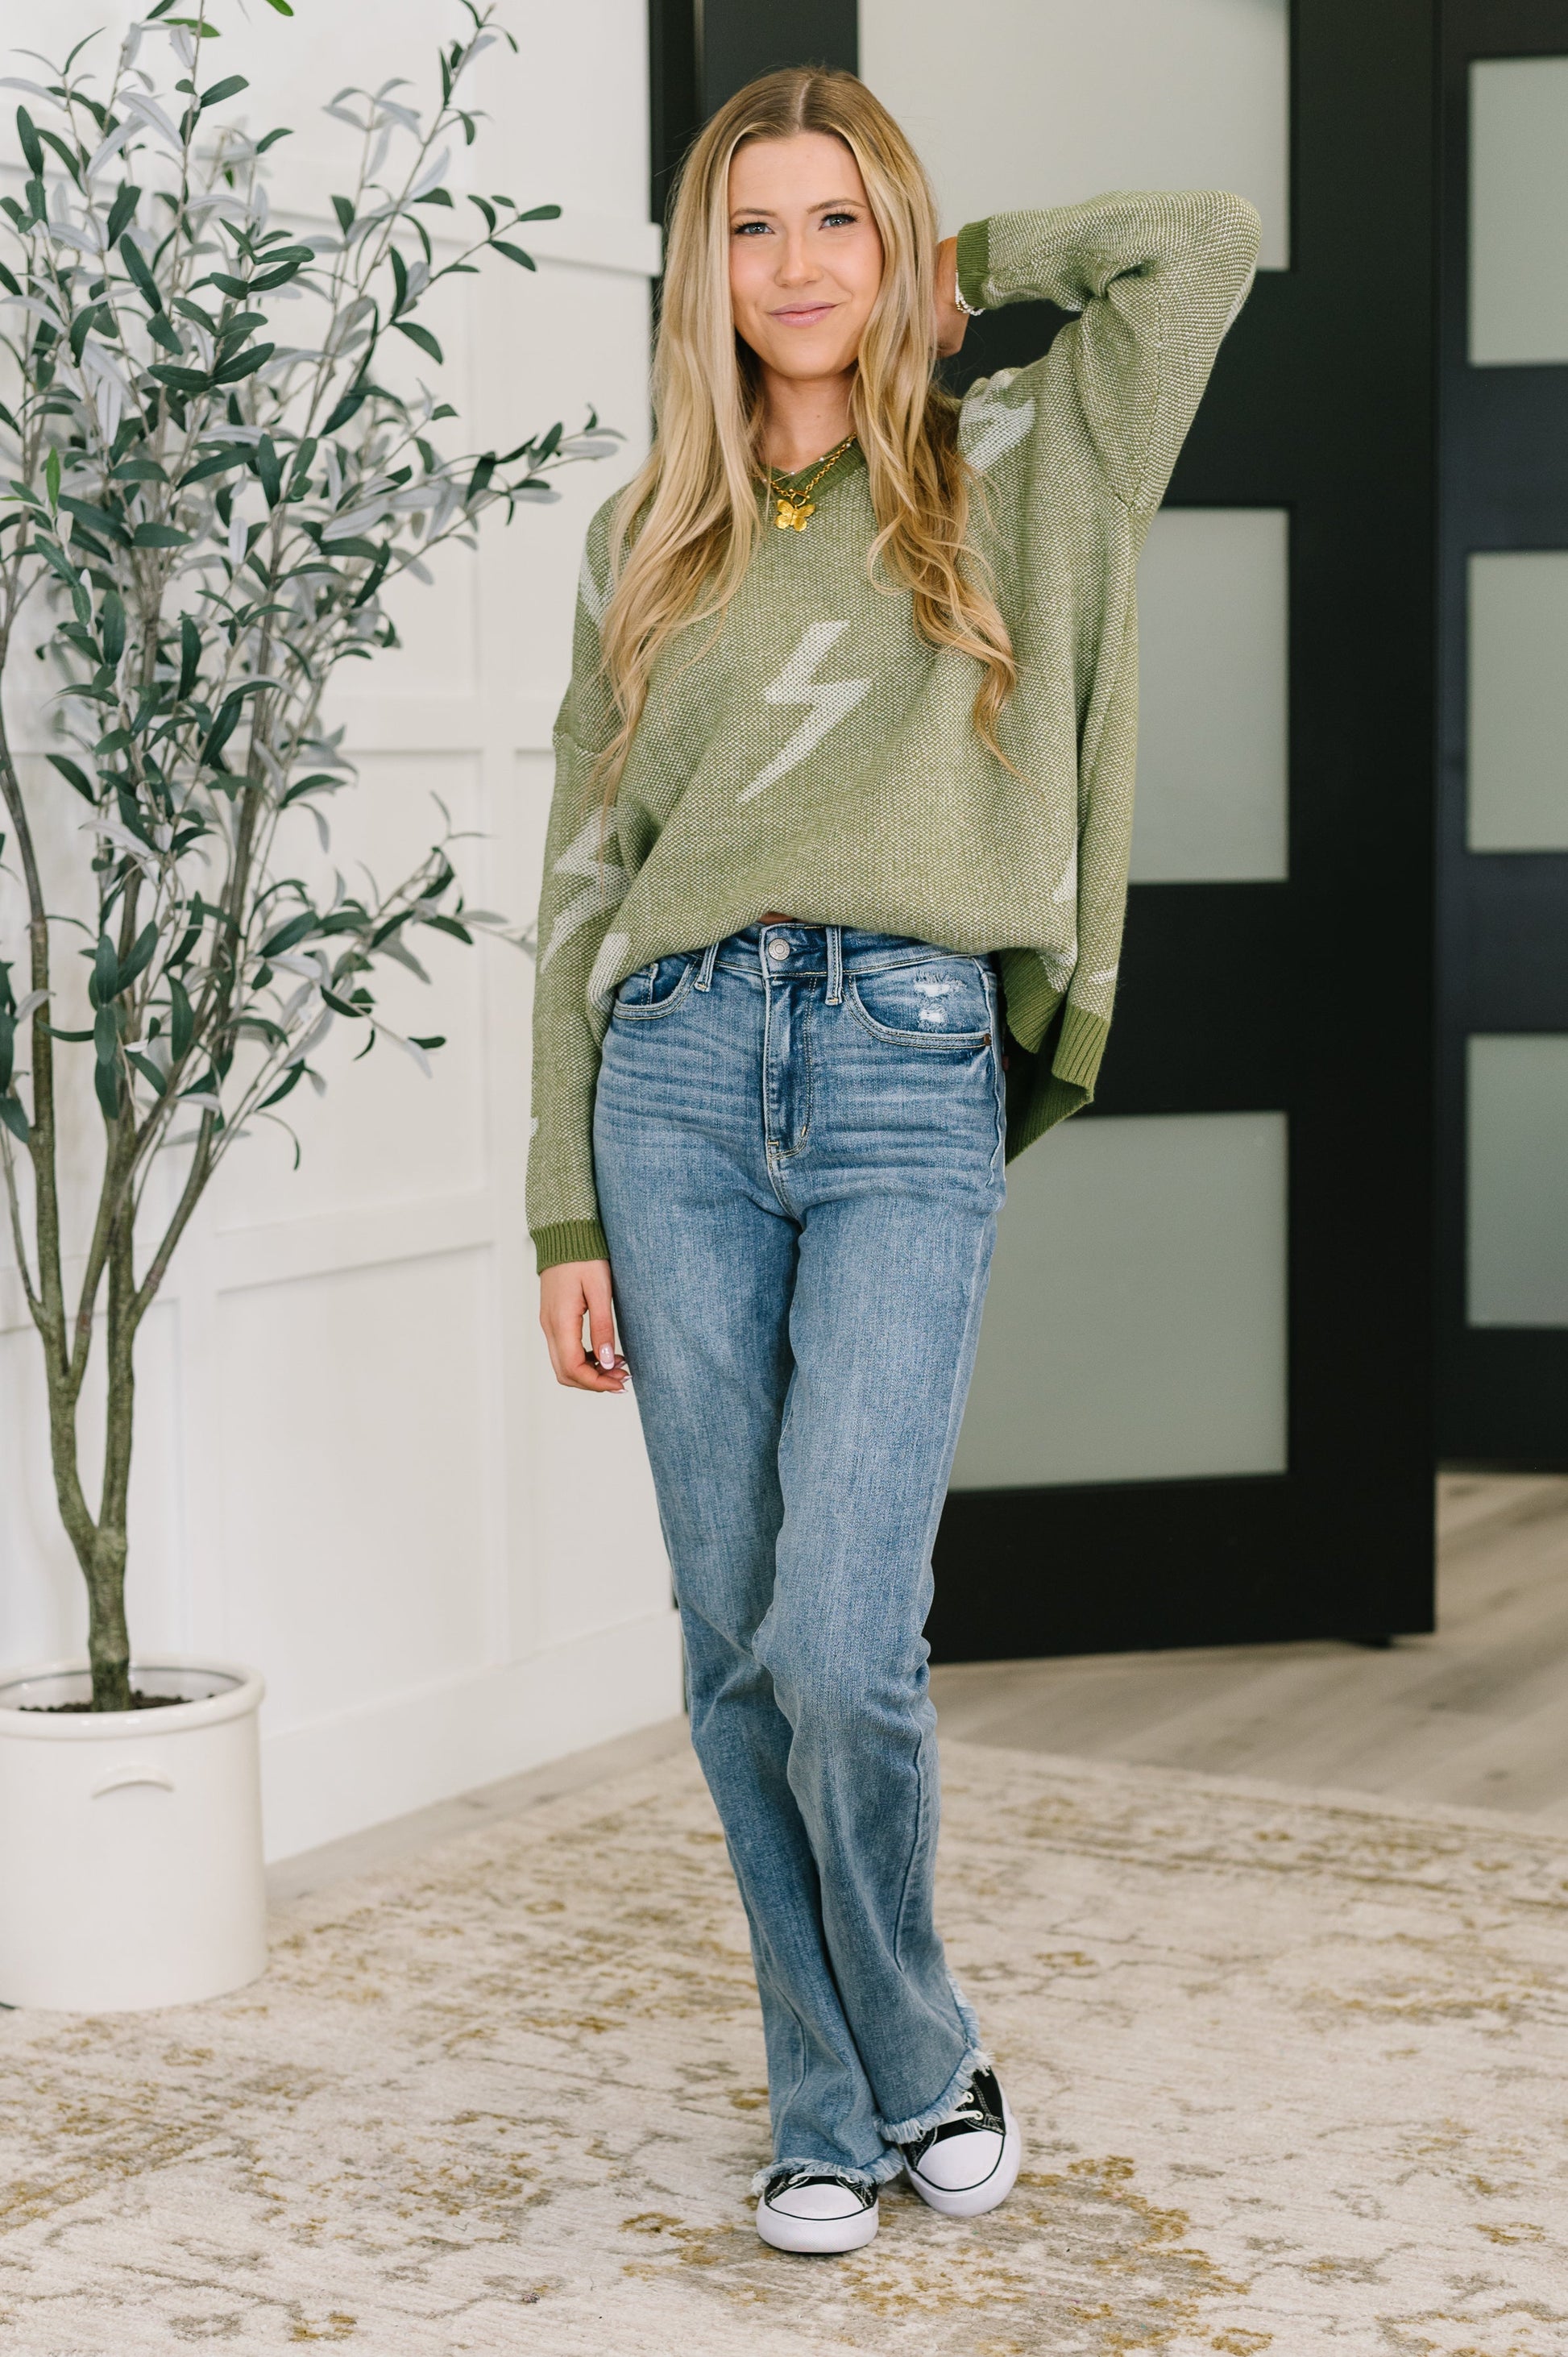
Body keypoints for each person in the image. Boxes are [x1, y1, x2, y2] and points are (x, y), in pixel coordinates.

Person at [528, 66, 1259, 2255]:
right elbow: (579, 879)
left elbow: (1202, 245)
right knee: (733, 1634)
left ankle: (921, 2046)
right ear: (704, 268)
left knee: (843, 1634)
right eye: (751, 227)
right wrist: (560, 1203)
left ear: (892, 243)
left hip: (901, 1071)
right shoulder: (643, 537)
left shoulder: (1020, 457)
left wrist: (973, 271)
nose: (795, 266)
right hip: (668, 1080)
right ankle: (823, 2100)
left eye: (836, 219)